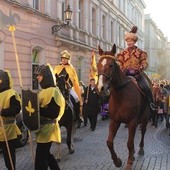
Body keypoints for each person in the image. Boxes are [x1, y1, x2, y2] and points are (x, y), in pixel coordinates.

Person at [34, 64, 65, 170]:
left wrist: (37, 110)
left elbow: (53, 113)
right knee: (46, 154)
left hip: (48, 129)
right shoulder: (44, 91)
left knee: (40, 160)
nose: (37, 77)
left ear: (46, 76)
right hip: (43, 129)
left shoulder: (53, 91)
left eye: (39, 75)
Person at [116, 25, 155, 110]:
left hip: (137, 75)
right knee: (114, 86)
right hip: (125, 75)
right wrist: (122, 68)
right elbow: (119, 62)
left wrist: (140, 68)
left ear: (134, 42)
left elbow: (145, 63)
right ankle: (110, 106)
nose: (129, 43)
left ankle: (151, 104)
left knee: (146, 87)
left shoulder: (141, 53)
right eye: (128, 41)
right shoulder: (122, 53)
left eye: (131, 41)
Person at [54, 50, 83, 126]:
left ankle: (78, 116)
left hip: (68, 89)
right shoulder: (57, 68)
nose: (63, 60)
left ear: (68, 60)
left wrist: (69, 85)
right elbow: (53, 78)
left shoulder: (71, 68)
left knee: (76, 98)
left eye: (65, 59)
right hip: (58, 89)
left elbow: (74, 80)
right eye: (62, 58)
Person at [0, 70, 21, 170]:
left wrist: (2, 111)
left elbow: (16, 109)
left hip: (7, 131)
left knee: (9, 158)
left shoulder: (11, 93)